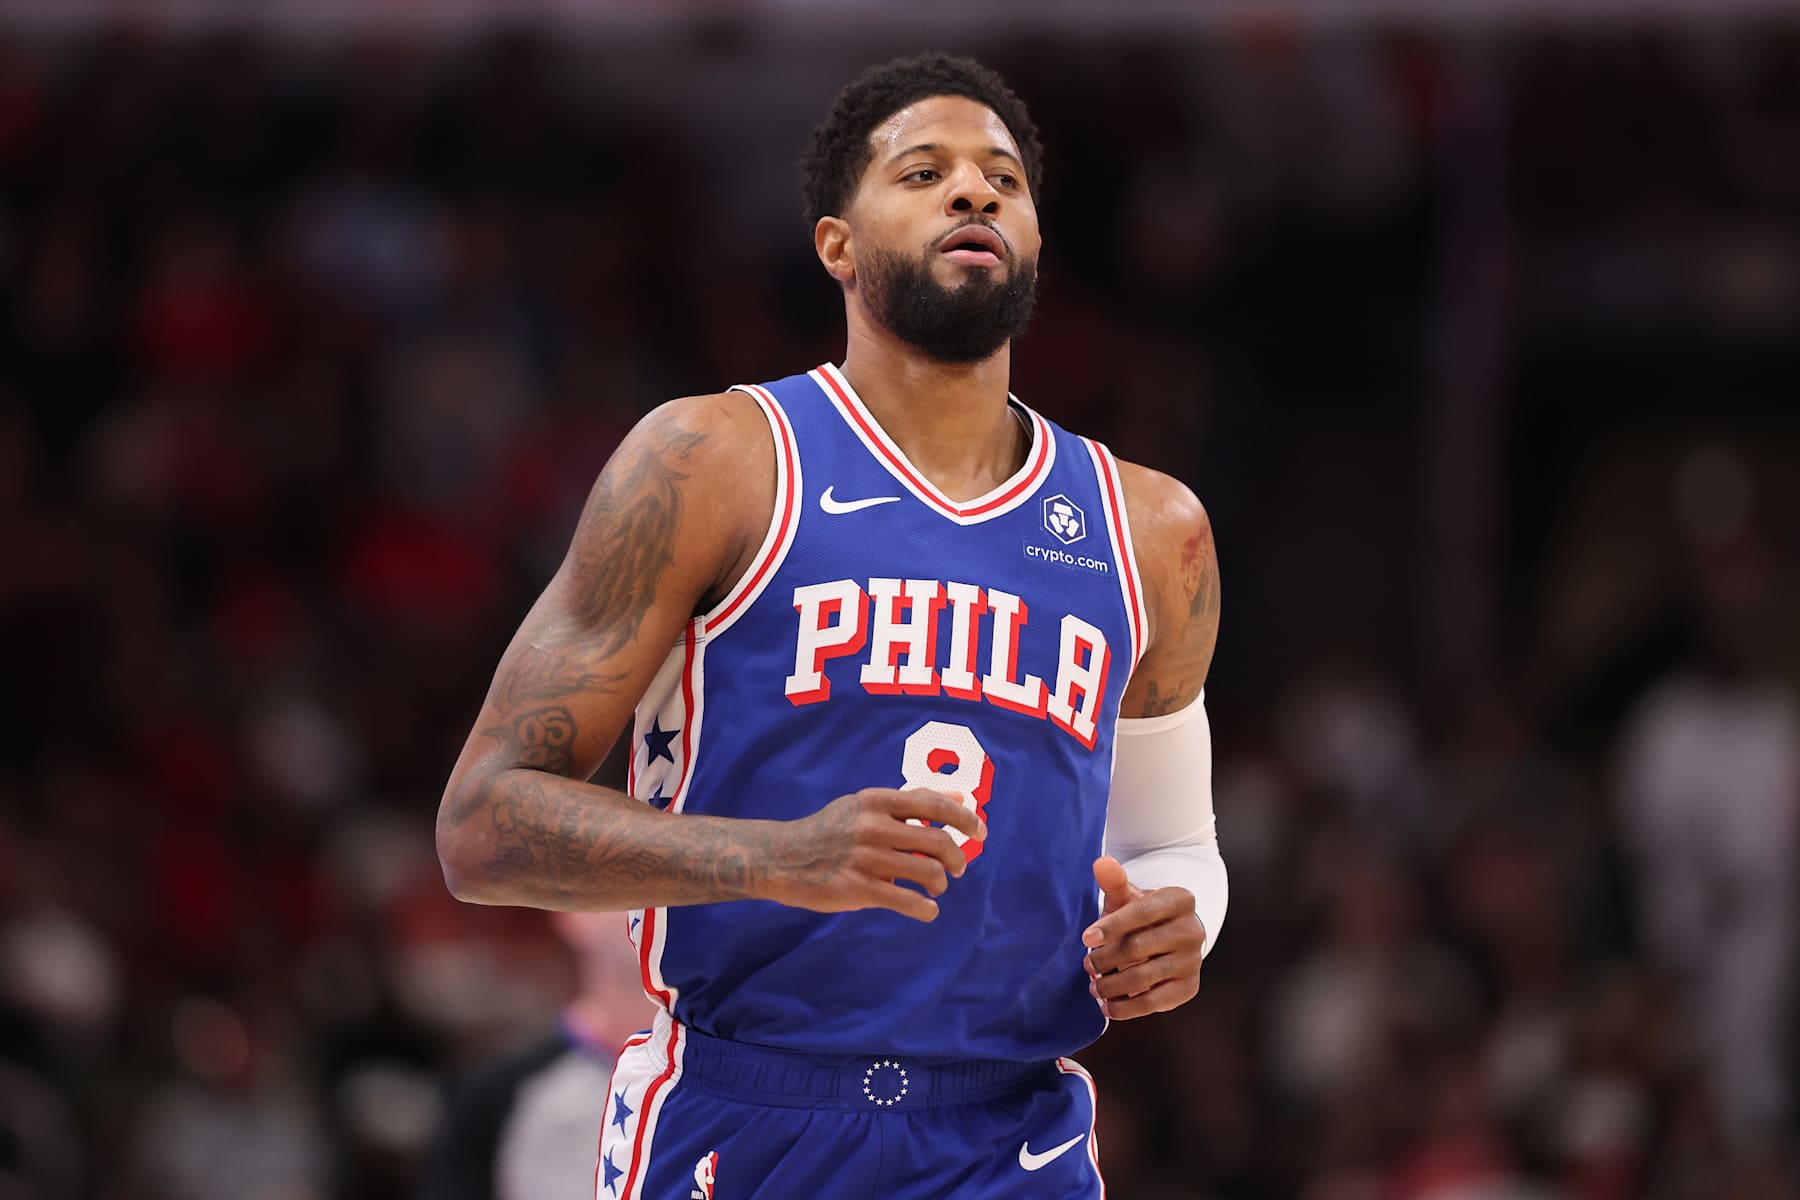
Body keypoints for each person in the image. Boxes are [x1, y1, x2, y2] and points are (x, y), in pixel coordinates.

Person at [436, 52, 1227, 1199]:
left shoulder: (1153, 530)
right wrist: (778, 857)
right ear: (836, 246)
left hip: (1012, 1136)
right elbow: (482, 825)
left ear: (1039, 242)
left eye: (1004, 179)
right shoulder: (713, 462)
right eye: (924, 172)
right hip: (743, 1112)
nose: (974, 194)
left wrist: (1180, 925)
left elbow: (1173, 848)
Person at [416, 912, 656, 1200]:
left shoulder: (720, 1086)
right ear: (571, 911)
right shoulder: (495, 1099)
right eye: (623, 881)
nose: (648, 909)